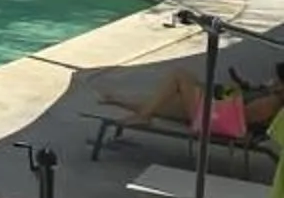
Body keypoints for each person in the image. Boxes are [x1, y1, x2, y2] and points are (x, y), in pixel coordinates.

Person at [102, 65, 284, 142]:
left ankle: (142, 115)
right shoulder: (272, 97)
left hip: (215, 121)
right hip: (216, 116)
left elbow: (239, 119)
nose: (274, 81)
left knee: (179, 76)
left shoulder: (273, 102)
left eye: (279, 80)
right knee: (170, 102)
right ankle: (120, 102)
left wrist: (231, 91)